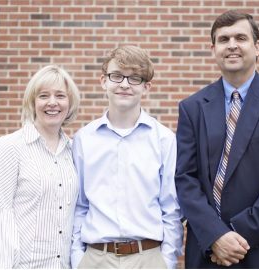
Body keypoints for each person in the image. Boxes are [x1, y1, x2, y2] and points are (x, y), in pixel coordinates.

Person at [175, 9, 259, 268]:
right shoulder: (192, 108)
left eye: (240, 38)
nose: (232, 45)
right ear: (213, 50)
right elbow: (185, 179)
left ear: (257, 47)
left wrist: (234, 234)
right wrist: (216, 235)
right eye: (223, 39)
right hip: (208, 252)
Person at [70, 45, 183, 269]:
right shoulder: (84, 139)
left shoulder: (164, 140)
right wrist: (78, 259)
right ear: (104, 81)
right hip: (95, 259)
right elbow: (79, 205)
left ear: (146, 87)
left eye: (134, 78)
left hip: (149, 257)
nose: (124, 84)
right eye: (117, 76)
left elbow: (171, 209)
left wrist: (166, 262)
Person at [0, 65, 80, 268]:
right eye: (44, 96)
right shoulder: (10, 147)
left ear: (69, 103)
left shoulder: (74, 151)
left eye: (60, 95)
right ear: (33, 103)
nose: (52, 103)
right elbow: (2, 213)